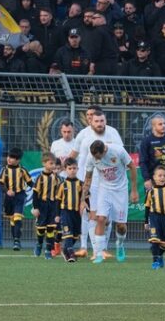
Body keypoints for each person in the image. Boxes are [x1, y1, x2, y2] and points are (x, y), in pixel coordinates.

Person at [69, 106, 122, 258]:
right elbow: (77, 155)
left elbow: (120, 154)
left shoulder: (112, 133)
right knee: (91, 214)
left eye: (99, 119)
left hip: (110, 180)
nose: (95, 121)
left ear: (104, 120)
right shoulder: (84, 137)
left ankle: (102, 248)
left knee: (107, 216)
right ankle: (93, 250)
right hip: (91, 180)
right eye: (91, 117)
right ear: (90, 120)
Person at [80, 140, 139, 264]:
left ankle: (120, 244)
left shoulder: (118, 151)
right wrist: (82, 200)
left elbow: (132, 167)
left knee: (121, 226)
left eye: (98, 156)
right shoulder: (91, 158)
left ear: (104, 151)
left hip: (120, 190)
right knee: (101, 219)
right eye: (94, 157)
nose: (97, 159)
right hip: (104, 189)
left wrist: (134, 190)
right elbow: (88, 178)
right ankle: (99, 253)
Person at [0, 147, 33, 251]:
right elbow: (0, 183)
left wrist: (38, 189)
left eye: (12, 157)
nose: (9, 159)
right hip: (9, 198)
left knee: (17, 217)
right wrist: (7, 191)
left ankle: (17, 241)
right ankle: (15, 241)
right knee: (12, 219)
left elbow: (30, 182)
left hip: (20, 196)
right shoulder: (4, 170)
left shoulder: (22, 170)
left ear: (18, 160)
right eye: (9, 156)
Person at [139, 114, 165, 192]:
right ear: (153, 126)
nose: (163, 126)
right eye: (160, 124)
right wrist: (146, 179)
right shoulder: (146, 141)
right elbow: (143, 162)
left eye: (164, 123)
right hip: (152, 180)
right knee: (153, 203)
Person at [31, 152, 61, 259]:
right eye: (51, 163)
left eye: (54, 164)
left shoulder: (56, 178)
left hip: (52, 206)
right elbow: (35, 194)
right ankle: (39, 244)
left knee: (51, 229)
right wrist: (35, 208)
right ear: (44, 163)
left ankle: (48, 250)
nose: (53, 166)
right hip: (42, 206)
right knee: (41, 229)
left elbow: (59, 193)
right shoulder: (40, 178)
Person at [56, 156, 82, 262]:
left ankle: (65, 250)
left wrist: (89, 211)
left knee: (75, 235)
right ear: (65, 170)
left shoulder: (81, 183)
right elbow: (58, 200)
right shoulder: (62, 185)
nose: (72, 171)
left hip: (76, 213)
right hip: (65, 212)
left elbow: (85, 198)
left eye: (74, 168)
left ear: (77, 169)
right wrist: (57, 215)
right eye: (70, 168)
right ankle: (71, 254)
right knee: (68, 233)